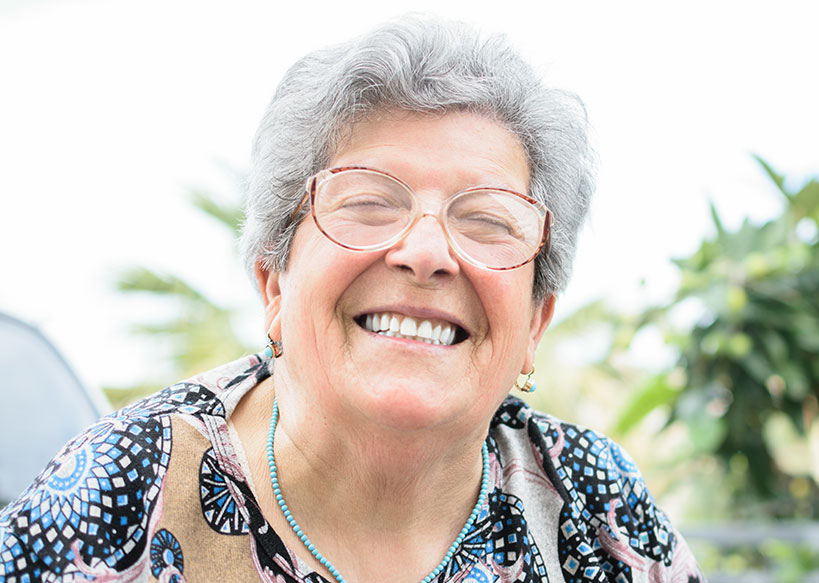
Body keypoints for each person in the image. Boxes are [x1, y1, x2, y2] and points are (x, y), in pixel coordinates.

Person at [0, 17, 705, 583]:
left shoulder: (598, 511)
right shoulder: (120, 491)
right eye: (369, 201)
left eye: (487, 220)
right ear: (274, 282)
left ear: (535, 323)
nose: (427, 251)